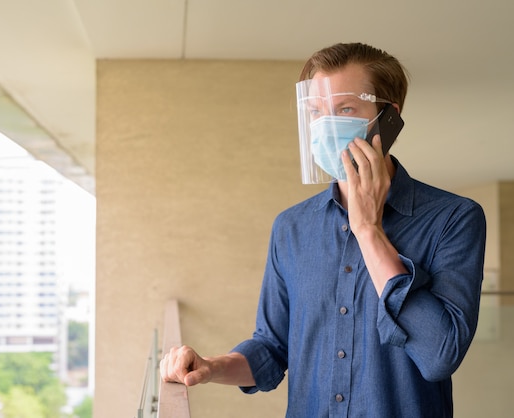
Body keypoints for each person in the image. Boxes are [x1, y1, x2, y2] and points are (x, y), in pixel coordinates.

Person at [160, 42, 486, 417]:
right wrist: (211, 366)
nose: (326, 125)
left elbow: (439, 355)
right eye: (316, 112)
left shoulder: (454, 219)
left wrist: (368, 230)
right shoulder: (291, 228)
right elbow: (271, 347)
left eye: (345, 109)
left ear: (388, 117)